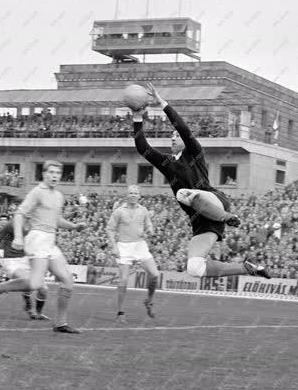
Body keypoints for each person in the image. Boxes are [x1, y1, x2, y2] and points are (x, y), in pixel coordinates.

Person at [131, 83, 270, 280]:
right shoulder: (167, 163)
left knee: (183, 193)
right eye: (171, 135)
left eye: (175, 136)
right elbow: (141, 146)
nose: (173, 137)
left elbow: (183, 128)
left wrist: (162, 103)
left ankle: (228, 217)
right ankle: (248, 269)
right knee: (194, 269)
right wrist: (137, 117)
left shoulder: (195, 152)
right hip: (202, 222)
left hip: (214, 200)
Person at [0, 160, 84, 334]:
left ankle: (60, 323)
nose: (55, 176)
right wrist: (18, 237)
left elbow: (56, 220)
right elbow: (20, 214)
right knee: (35, 284)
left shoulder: (58, 196)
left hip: (50, 240)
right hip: (37, 238)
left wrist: (74, 226)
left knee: (67, 280)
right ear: (44, 174)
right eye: (51, 172)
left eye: (58, 173)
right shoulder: (37, 192)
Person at [106, 185, 159, 322]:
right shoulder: (119, 211)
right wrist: (114, 247)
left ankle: (149, 300)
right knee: (124, 279)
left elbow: (149, 225)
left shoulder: (144, 210)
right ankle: (120, 313)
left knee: (154, 275)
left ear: (139, 196)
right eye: (131, 193)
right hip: (124, 246)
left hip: (140, 245)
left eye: (135, 193)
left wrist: (150, 231)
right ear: (127, 195)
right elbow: (110, 230)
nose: (133, 195)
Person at [0, 213, 49, 320]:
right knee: (28, 281)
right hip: (11, 260)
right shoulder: (10, 226)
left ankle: (37, 313)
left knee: (43, 289)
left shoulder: (34, 225)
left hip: (27, 258)